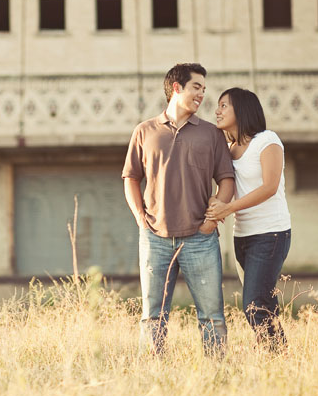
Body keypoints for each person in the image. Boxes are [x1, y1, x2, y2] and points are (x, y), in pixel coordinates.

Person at [122, 63, 235, 356]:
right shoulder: (144, 131)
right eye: (196, 87)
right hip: (155, 238)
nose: (202, 95)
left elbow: (226, 179)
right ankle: (151, 377)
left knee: (212, 317)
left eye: (203, 89)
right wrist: (139, 218)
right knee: (153, 316)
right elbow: (131, 177)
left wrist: (214, 217)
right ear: (176, 88)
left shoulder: (211, 134)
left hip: (201, 238)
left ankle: (217, 375)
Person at [206, 87, 291, 350]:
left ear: (241, 109)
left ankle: (274, 354)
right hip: (242, 237)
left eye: (223, 106)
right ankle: (277, 360)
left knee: (254, 305)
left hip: (271, 234)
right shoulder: (228, 149)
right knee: (264, 304)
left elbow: (269, 187)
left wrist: (227, 209)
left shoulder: (267, 141)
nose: (217, 111)